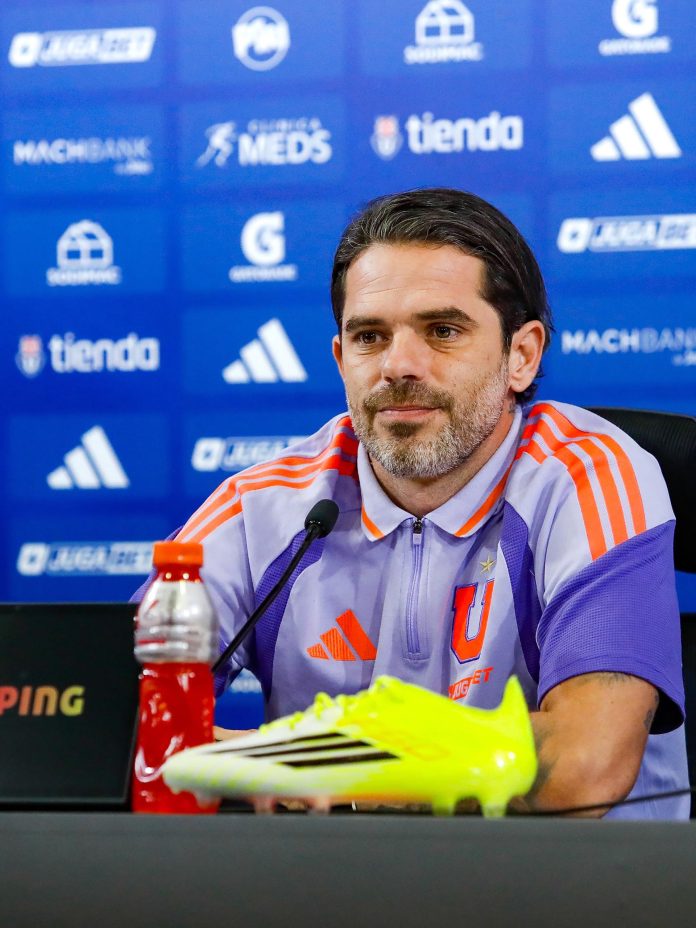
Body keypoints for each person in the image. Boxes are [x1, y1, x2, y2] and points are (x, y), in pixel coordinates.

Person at [150, 188, 688, 818]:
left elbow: (584, 766)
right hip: (330, 876)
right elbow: (111, 720)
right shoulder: (263, 506)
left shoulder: (592, 476)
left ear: (521, 355)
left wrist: (313, 760)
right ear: (341, 360)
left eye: (442, 331)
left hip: (574, 876)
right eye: (370, 336)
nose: (399, 365)